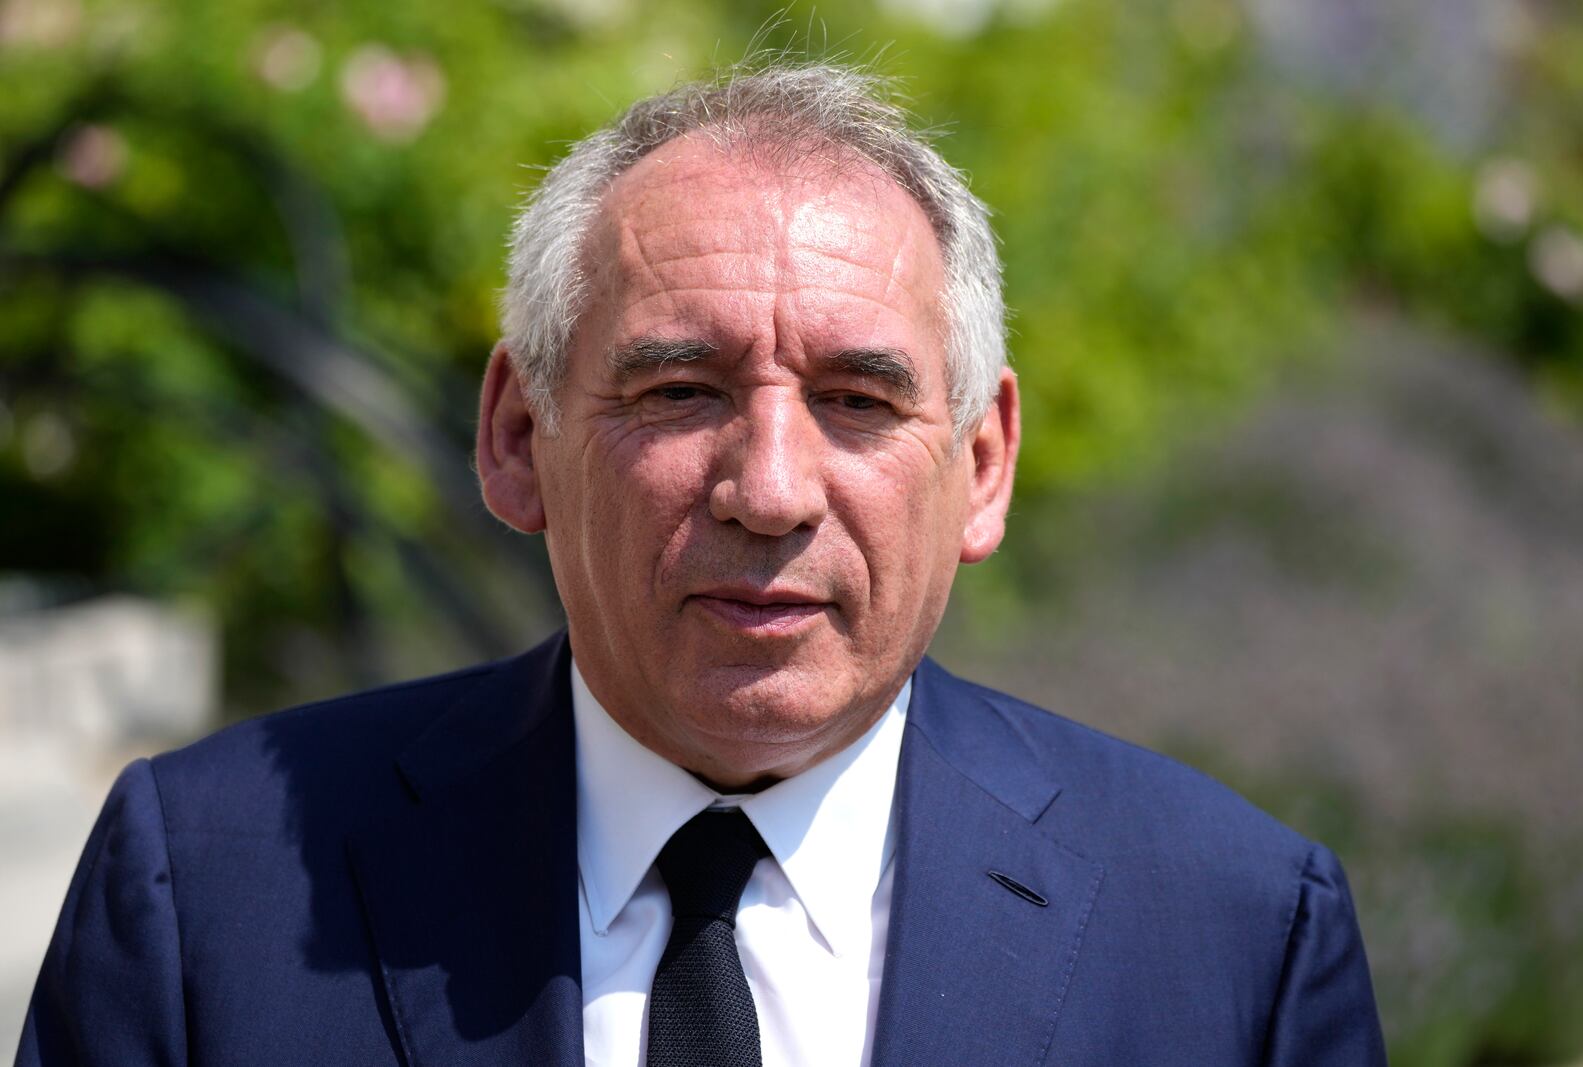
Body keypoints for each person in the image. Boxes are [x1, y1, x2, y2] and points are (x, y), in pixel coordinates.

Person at [17, 63, 1386, 1067]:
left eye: (859, 400)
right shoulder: (207, 890)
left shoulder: (1230, 939)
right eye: (679, 391)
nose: (773, 488)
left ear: (982, 465)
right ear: (515, 437)